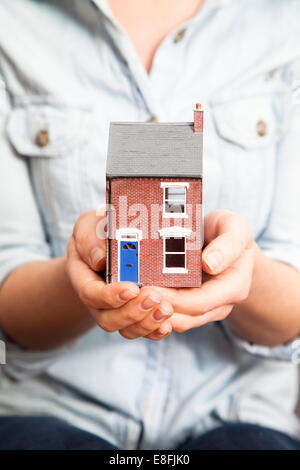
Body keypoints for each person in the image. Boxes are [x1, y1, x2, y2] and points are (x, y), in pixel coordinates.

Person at [0, 0, 300, 450]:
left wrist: (243, 268)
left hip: (238, 413)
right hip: (53, 409)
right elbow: (9, 289)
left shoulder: (284, 21)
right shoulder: (13, 22)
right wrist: (83, 277)